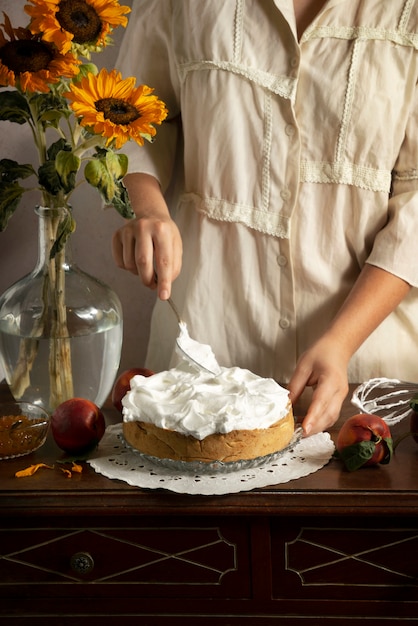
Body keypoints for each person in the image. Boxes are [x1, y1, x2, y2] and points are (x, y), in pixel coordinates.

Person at [112, 0, 418, 436]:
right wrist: (146, 208)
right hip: (206, 360)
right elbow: (127, 117)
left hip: (368, 383)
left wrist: (341, 342)